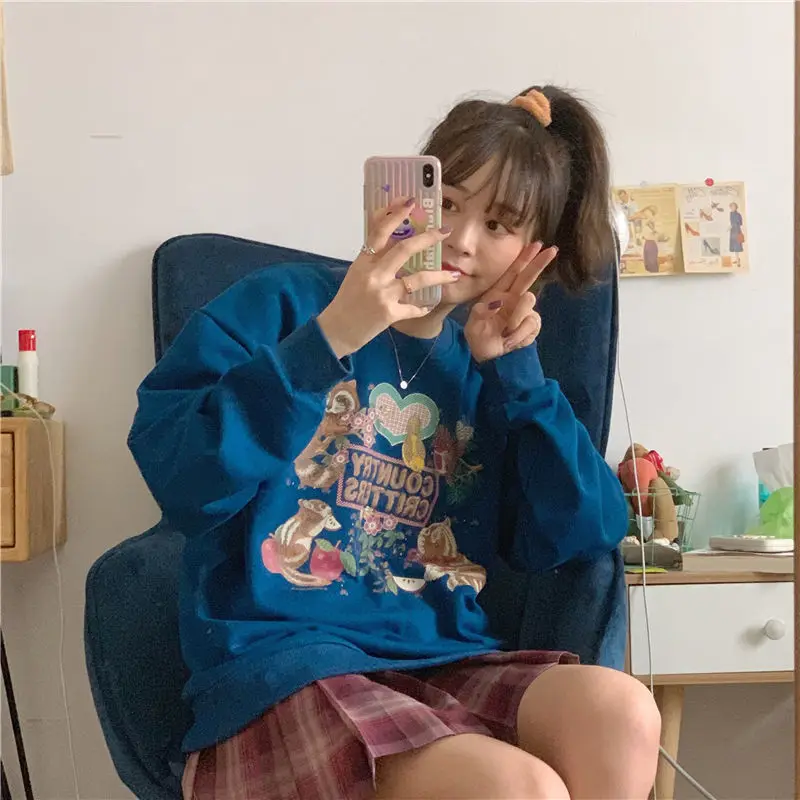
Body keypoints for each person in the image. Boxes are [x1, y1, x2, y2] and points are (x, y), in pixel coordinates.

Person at [128, 85, 661, 800]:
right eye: (449, 202)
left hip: (441, 665)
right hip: (282, 671)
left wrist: (519, 377)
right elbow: (181, 475)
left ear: (528, 252)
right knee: (516, 788)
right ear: (406, 194)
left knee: (621, 711)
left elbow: (583, 534)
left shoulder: (488, 370)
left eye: (498, 224)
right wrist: (331, 338)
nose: (462, 239)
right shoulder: (280, 305)